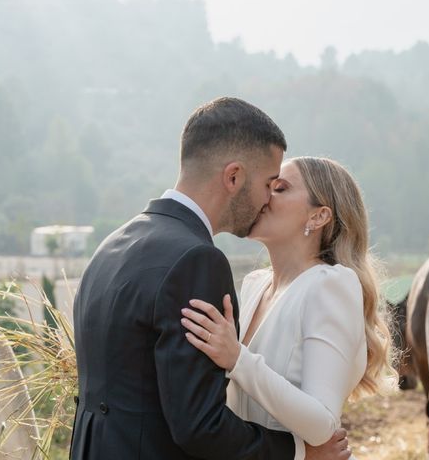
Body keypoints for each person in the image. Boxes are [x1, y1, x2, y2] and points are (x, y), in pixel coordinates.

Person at [70, 98, 352, 460]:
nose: (267, 198)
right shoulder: (196, 261)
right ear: (233, 177)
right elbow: (200, 426)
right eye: (269, 183)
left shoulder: (113, 245)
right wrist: (299, 453)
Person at [181, 156, 396, 458]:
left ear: (319, 216)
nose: (264, 196)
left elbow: (322, 423)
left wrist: (237, 358)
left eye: (279, 188)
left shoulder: (330, 285)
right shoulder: (254, 284)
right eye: (267, 185)